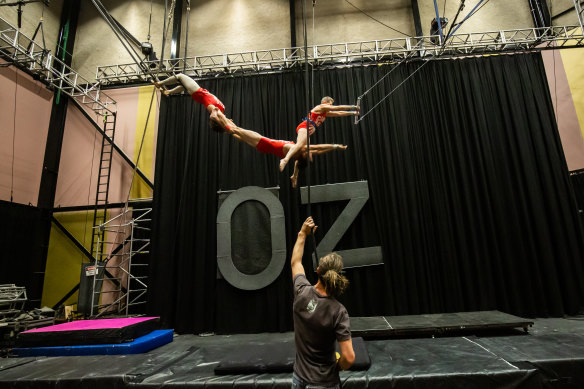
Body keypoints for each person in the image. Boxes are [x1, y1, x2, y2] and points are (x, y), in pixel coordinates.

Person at [290, 217, 355, 389]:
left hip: (298, 379)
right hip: (324, 383)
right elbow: (348, 358)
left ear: (318, 271)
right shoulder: (338, 311)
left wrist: (302, 233)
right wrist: (337, 368)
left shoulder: (301, 291)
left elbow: (296, 262)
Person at [227, 125, 348, 188]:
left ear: (305, 155)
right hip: (262, 148)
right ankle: (225, 125)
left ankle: (222, 120)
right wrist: (294, 176)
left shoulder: (301, 149)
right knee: (237, 134)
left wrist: (336, 146)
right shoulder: (297, 157)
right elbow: (300, 164)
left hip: (263, 142)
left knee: (236, 129)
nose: (312, 153)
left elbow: (320, 148)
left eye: (310, 155)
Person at [279, 97, 359, 172]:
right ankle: (285, 160)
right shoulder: (321, 107)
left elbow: (339, 113)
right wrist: (353, 106)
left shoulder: (325, 113)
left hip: (308, 131)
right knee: (299, 145)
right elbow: (337, 108)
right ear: (324, 102)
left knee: (304, 152)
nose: (330, 106)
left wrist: (353, 113)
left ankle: (295, 175)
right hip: (304, 127)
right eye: (330, 104)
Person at [152, 73, 231, 132]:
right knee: (183, 85)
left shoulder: (213, 109)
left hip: (197, 91)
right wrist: (227, 125)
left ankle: (160, 83)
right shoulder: (222, 112)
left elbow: (215, 116)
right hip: (197, 93)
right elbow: (225, 120)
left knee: (180, 76)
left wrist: (225, 126)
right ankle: (168, 92)